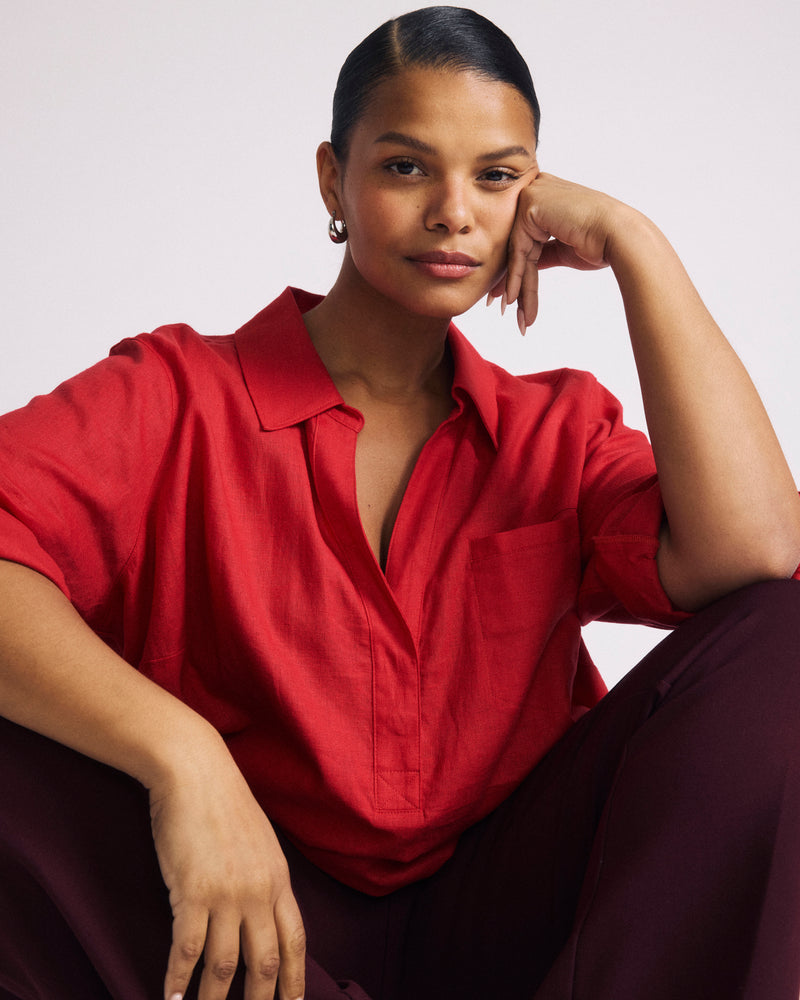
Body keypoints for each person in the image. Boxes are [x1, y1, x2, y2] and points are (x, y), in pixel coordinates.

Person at [1, 6, 799, 1000]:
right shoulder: (173, 394)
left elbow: (758, 554)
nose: (454, 211)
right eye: (406, 167)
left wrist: (638, 246)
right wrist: (182, 756)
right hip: (248, 926)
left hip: (504, 925)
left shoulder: (556, 430)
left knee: (786, 630)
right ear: (334, 177)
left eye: (496, 176)